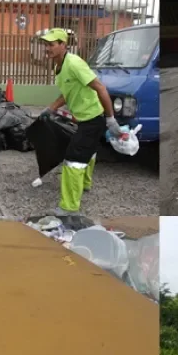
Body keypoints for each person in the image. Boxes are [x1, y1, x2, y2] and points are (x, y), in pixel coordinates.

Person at [38, 28, 122, 215]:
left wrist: (110, 119)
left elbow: (100, 87)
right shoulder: (58, 66)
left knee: (73, 160)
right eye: (46, 44)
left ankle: (69, 207)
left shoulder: (74, 63)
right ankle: (84, 184)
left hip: (93, 119)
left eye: (51, 44)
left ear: (63, 45)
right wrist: (51, 107)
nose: (47, 48)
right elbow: (67, 93)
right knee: (88, 151)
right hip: (84, 119)